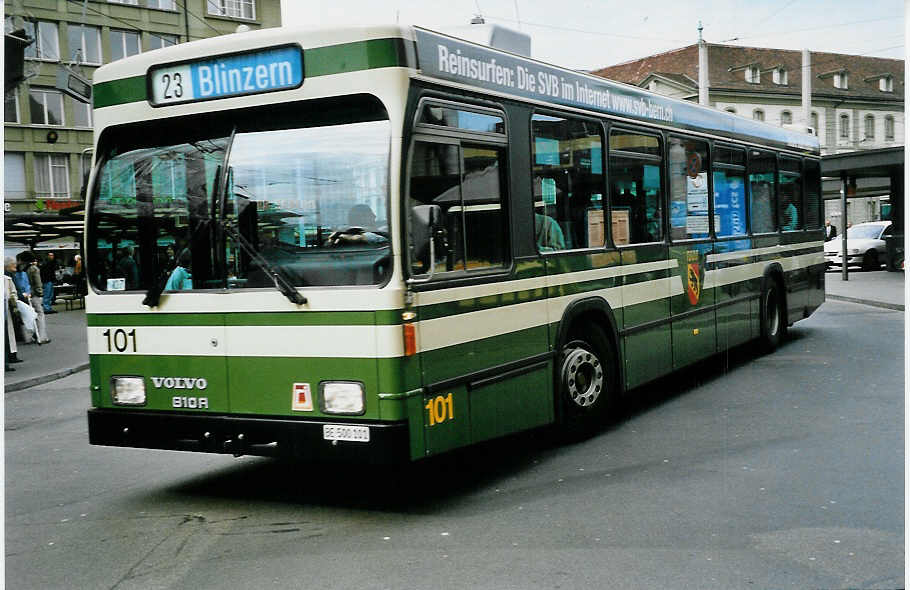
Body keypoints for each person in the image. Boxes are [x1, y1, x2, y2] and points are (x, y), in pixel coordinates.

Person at [23, 252, 49, 344]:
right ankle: (42, 336)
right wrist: (40, 293)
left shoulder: (23, 269)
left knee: (27, 315)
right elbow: (38, 283)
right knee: (39, 315)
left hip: (25, 294)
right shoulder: (34, 269)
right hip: (34, 295)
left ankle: (28, 337)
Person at [4, 258, 23, 367]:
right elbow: (14, 292)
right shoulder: (8, 278)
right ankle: (10, 357)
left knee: (9, 334)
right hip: (7, 310)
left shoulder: (8, 278)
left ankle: (11, 356)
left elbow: (13, 293)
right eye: (13, 265)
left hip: (8, 310)